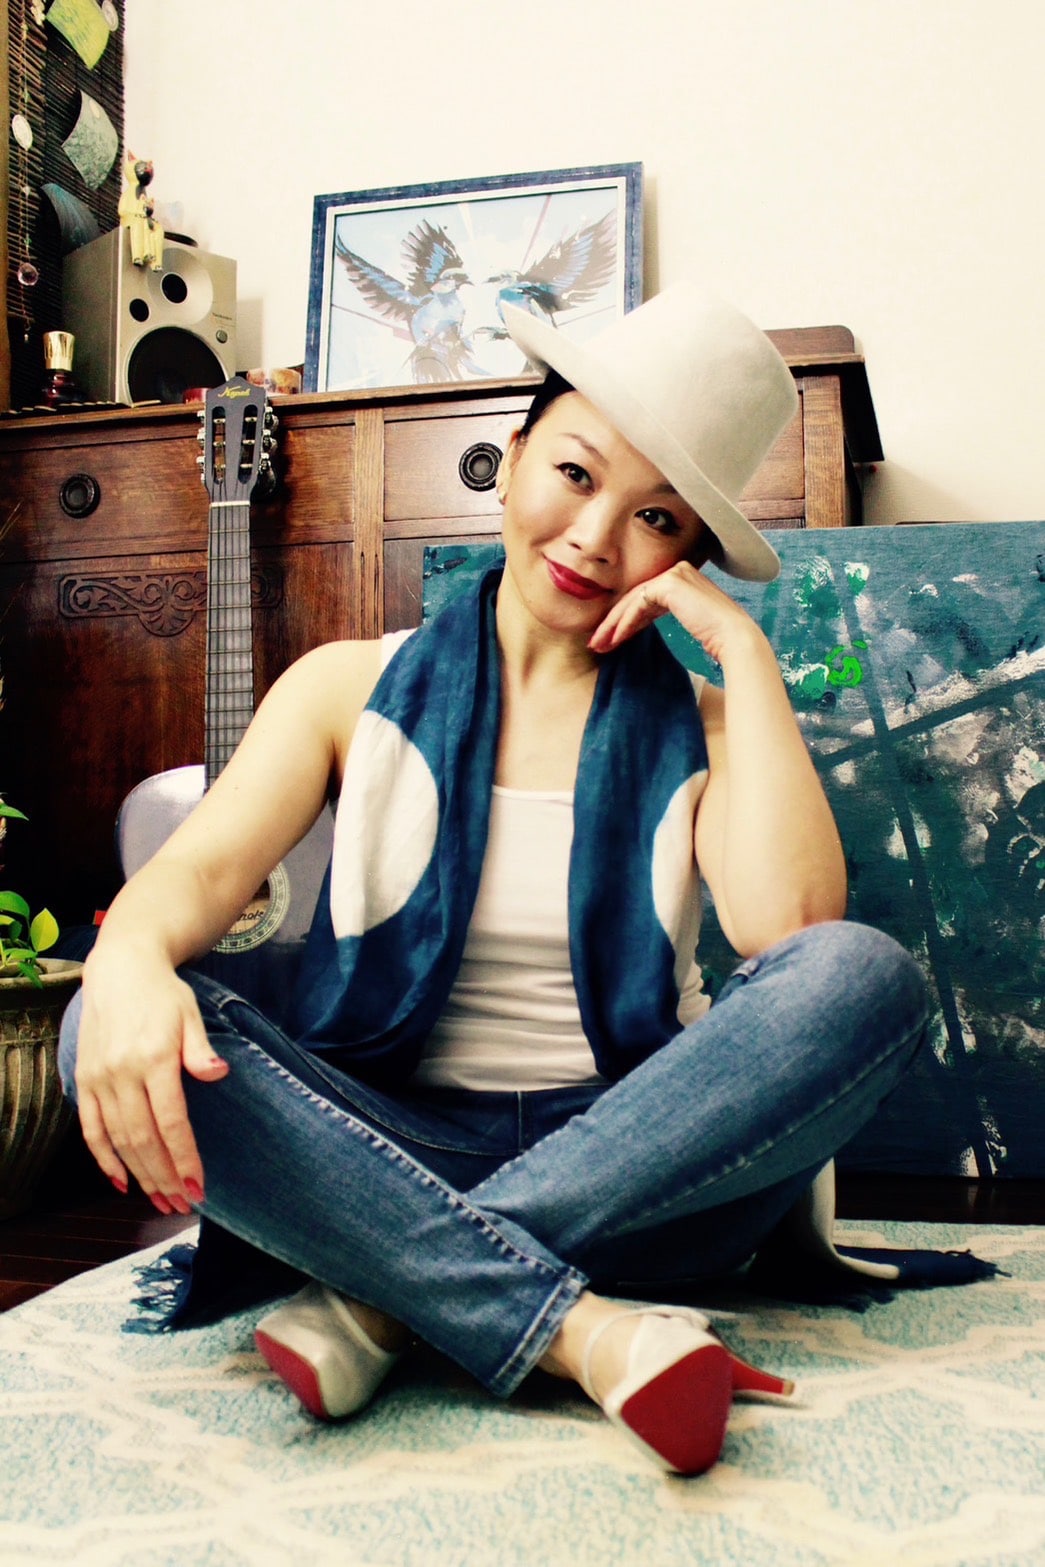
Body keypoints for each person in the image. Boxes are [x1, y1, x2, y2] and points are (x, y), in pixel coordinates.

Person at [60, 284, 934, 1478]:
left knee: (865, 977)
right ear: (513, 459)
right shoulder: (345, 686)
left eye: (657, 518)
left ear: (687, 556)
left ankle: (390, 1292)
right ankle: (580, 1328)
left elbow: (791, 932)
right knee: (102, 1020)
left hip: (641, 1162)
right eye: (575, 474)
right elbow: (201, 869)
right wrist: (124, 956)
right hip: (378, 1143)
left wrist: (742, 653)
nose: (596, 538)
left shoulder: (710, 721)